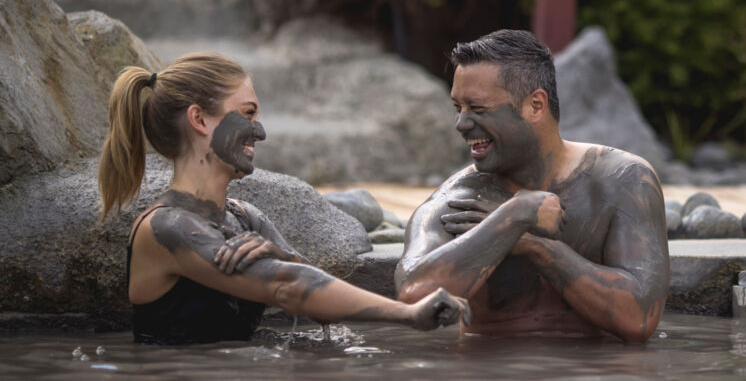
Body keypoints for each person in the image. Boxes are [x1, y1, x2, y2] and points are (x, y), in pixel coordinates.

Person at [98, 52, 468, 344]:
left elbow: (318, 306)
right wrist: (409, 315)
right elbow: (287, 285)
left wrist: (283, 255)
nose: (259, 131)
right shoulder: (166, 228)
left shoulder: (245, 217)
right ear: (200, 120)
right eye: (247, 113)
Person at [395, 30, 669, 343]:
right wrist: (513, 215)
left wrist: (537, 247)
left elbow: (640, 320)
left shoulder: (622, 180)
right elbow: (412, 299)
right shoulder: (460, 201)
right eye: (458, 108)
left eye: (478, 109)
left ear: (535, 106)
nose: (461, 124)